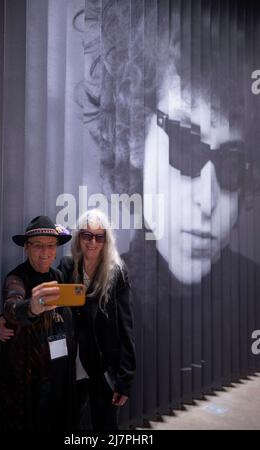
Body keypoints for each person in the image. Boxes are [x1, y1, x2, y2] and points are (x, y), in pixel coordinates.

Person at [78, 0, 260, 422]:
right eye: (184, 146)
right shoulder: (105, 300)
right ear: (135, 140)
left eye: (231, 165)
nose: (208, 199)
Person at [58, 208, 136, 430]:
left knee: (105, 425)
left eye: (99, 236)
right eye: (87, 235)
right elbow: (46, 300)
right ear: (78, 237)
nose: (92, 242)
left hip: (103, 367)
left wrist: (124, 380)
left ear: (106, 240)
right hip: (73, 364)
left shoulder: (117, 273)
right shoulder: (67, 267)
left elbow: (126, 327)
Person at [0, 215, 74, 431]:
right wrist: (32, 306)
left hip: (59, 374)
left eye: (51, 246)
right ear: (26, 248)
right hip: (27, 384)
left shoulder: (59, 276)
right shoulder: (16, 278)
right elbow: (12, 306)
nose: (45, 252)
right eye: (38, 245)